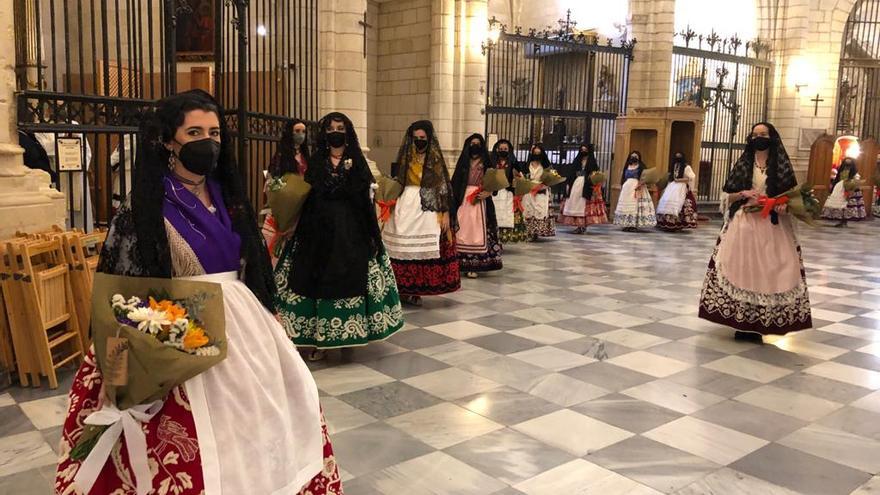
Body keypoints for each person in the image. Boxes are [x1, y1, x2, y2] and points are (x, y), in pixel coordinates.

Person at [55, 90, 342, 494]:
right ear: (168, 140)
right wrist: (118, 375)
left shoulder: (230, 197)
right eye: (194, 131)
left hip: (246, 330)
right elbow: (119, 295)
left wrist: (270, 312)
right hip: (178, 334)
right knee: (199, 447)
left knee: (271, 422)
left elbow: (255, 266)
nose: (207, 141)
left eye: (214, 131)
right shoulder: (144, 208)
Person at [274, 112, 403, 361]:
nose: (336, 132)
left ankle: (349, 336)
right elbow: (308, 195)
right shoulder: (318, 161)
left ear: (348, 131)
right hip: (317, 232)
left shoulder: (357, 160)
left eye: (340, 128)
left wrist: (372, 235)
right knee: (314, 279)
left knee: (351, 277)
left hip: (351, 231)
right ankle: (318, 340)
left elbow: (366, 199)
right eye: (331, 128)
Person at [698, 122, 812, 342]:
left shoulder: (782, 166)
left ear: (772, 137)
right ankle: (741, 322)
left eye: (763, 134)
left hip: (772, 227)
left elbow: (791, 198)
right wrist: (741, 193)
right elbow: (726, 196)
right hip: (744, 225)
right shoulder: (743, 164)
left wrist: (782, 205)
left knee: (769, 273)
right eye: (755, 134)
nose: (759, 138)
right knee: (743, 269)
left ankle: (760, 323)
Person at [382, 120, 460, 305]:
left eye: (422, 138)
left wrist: (446, 212)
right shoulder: (407, 157)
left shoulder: (435, 159)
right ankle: (401, 288)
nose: (419, 141)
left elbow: (443, 187)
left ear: (429, 138)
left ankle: (417, 289)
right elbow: (398, 182)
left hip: (428, 204)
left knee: (425, 245)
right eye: (416, 138)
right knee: (399, 243)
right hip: (405, 202)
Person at [451, 133, 503, 278]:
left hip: (481, 200)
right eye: (472, 143)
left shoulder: (486, 161)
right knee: (462, 229)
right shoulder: (463, 161)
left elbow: (495, 180)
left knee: (478, 229)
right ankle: (460, 263)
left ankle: (475, 265)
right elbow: (455, 181)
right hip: (463, 199)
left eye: (477, 144)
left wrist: (489, 192)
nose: (475, 146)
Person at [262, 118, 310, 265]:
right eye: (297, 131)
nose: (300, 135)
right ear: (290, 133)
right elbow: (274, 182)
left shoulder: (306, 156)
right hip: (285, 207)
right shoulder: (282, 156)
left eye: (303, 132)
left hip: (302, 205)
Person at [557, 144, 608, 233]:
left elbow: (595, 173)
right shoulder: (577, 160)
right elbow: (571, 172)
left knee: (583, 205)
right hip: (576, 184)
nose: (583, 151)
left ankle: (583, 226)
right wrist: (569, 183)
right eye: (582, 149)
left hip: (587, 185)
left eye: (585, 149)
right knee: (575, 204)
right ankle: (578, 225)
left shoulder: (592, 161)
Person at [491, 139, 528, 243]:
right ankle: (494, 238)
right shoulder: (492, 161)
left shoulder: (513, 161)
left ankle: (504, 237)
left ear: (509, 150)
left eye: (505, 149)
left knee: (506, 214)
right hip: (495, 192)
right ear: (497, 149)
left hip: (507, 192)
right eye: (501, 149)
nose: (503, 150)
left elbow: (519, 174)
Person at [614, 150, 656, 231]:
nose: (634, 158)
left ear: (639, 158)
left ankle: (633, 225)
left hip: (637, 187)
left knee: (635, 206)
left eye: (636, 156)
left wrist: (641, 184)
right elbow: (623, 177)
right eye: (632, 156)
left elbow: (646, 177)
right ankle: (626, 224)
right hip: (626, 189)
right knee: (626, 205)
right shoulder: (627, 166)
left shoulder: (641, 167)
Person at [656, 151, 698, 231]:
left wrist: (679, 180)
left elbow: (691, 178)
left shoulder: (686, 167)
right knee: (666, 201)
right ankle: (668, 222)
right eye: (676, 157)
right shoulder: (674, 165)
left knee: (679, 204)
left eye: (679, 157)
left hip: (682, 186)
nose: (677, 159)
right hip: (672, 185)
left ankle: (678, 222)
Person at [522, 144, 556, 240]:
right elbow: (524, 175)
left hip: (541, 189)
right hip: (529, 189)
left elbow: (550, 178)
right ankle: (529, 231)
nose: (536, 154)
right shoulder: (528, 164)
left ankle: (537, 231)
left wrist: (543, 185)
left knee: (539, 210)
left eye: (538, 153)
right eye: (535, 153)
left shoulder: (545, 166)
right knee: (528, 209)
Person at [821, 157, 867, 227]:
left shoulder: (854, 173)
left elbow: (856, 180)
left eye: (849, 163)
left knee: (848, 206)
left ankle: (844, 221)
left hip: (850, 189)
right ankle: (841, 220)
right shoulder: (841, 170)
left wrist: (851, 188)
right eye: (846, 163)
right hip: (840, 188)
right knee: (840, 205)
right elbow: (837, 179)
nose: (847, 165)